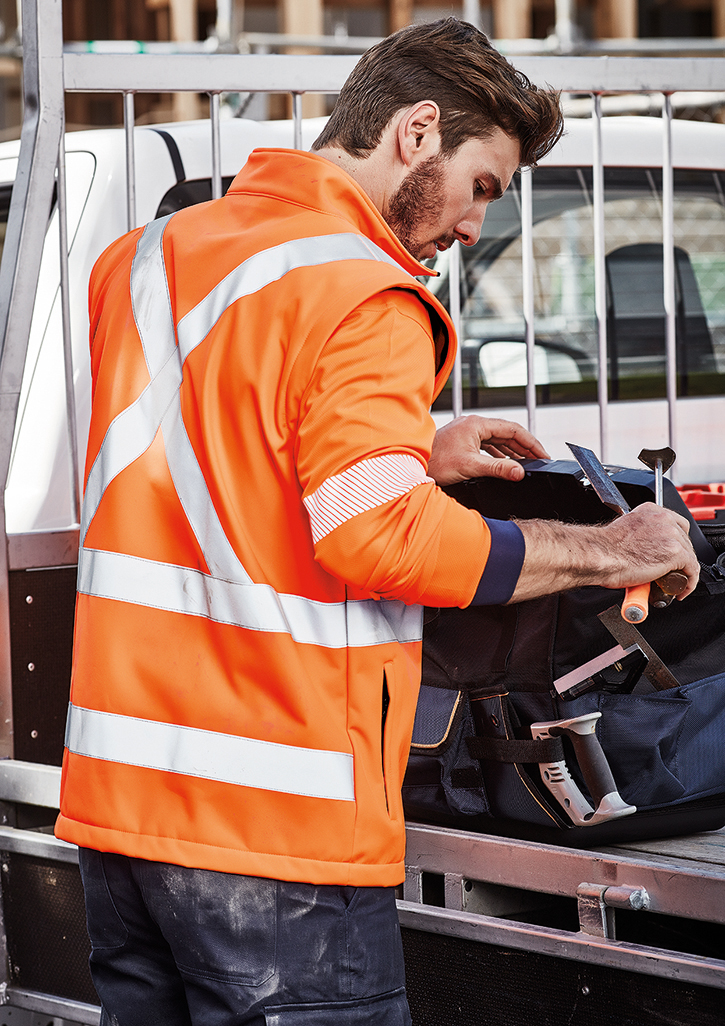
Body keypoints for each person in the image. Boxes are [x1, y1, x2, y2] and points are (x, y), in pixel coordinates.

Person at [56, 16, 699, 1026]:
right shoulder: (363, 290)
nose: (474, 225)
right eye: (480, 185)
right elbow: (378, 540)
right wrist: (608, 549)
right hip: (274, 834)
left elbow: (207, 452)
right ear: (414, 132)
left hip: (122, 806)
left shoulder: (149, 259)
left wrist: (418, 452)